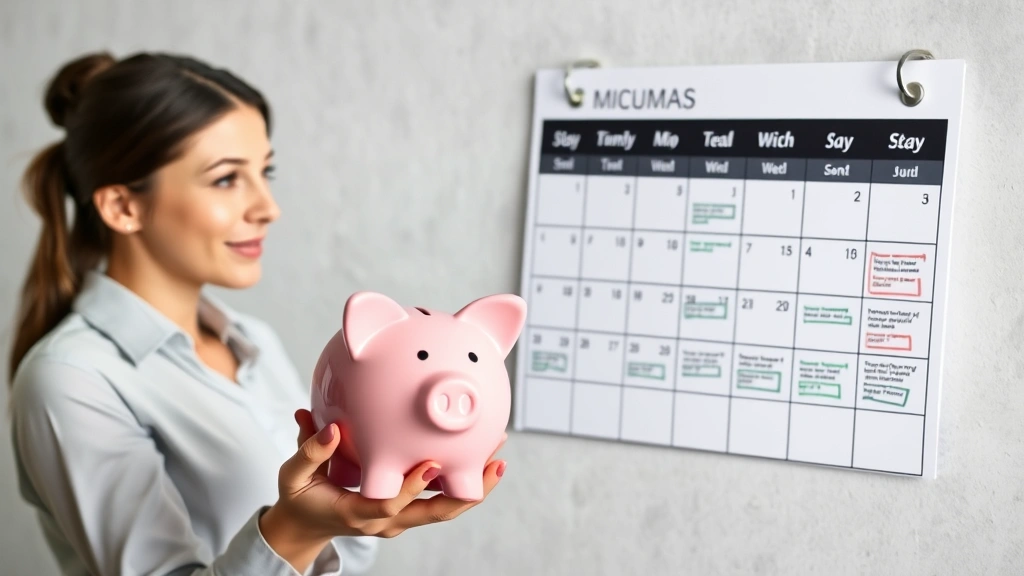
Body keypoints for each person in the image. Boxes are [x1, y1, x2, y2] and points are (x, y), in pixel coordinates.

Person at [6, 51, 506, 576]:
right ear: (123, 208)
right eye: (226, 179)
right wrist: (297, 528)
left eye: (264, 171)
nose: (267, 206)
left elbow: (347, 545)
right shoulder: (70, 380)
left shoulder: (254, 341)